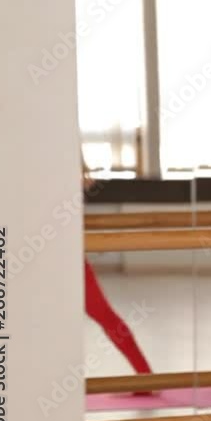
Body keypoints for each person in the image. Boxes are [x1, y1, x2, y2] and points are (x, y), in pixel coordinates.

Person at [82, 159, 154, 384]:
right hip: (52, 260)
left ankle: (145, 375)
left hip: (70, 260)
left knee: (104, 315)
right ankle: (145, 375)